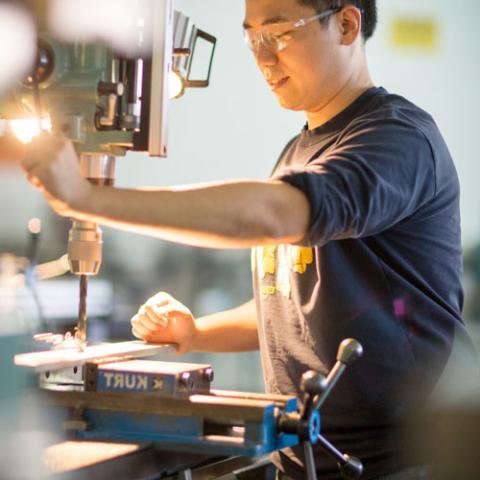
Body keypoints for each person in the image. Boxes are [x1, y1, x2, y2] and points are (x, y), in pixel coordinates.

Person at [21, 0, 477, 478]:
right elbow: (292, 309)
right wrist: (196, 331)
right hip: (306, 459)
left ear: (345, 24)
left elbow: (270, 215)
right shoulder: (298, 152)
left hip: (399, 463)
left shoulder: (399, 140)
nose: (262, 58)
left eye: (277, 34)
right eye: (252, 38)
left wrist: (87, 199)